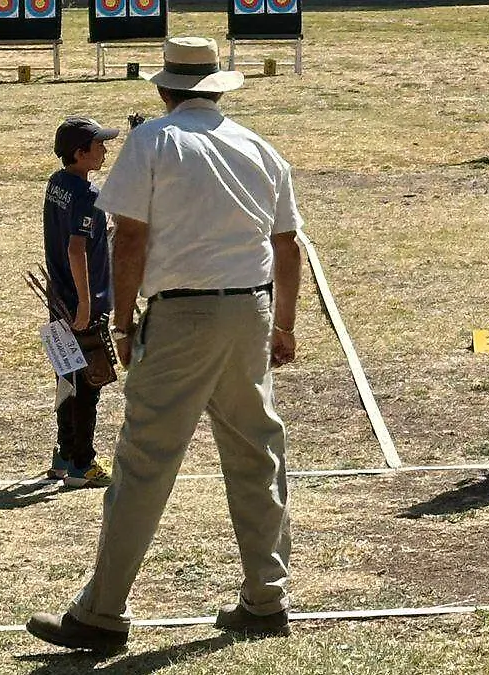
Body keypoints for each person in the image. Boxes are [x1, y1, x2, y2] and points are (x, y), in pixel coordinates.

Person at [25, 36, 304, 652]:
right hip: (249, 313)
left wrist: (123, 325)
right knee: (258, 455)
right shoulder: (259, 147)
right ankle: (266, 597)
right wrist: (283, 324)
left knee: (145, 462)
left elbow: (128, 241)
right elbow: (289, 247)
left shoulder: (153, 141)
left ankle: (101, 615)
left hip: (181, 316)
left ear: (164, 89)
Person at [44, 117, 119, 489]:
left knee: (66, 378)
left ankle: (63, 453)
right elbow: (77, 249)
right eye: (99, 145)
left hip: (59, 298)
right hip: (81, 304)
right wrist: (87, 305)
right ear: (80, 153)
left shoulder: (57, 184)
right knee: (88, 382)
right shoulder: (87, 196)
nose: (104, 151)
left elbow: (79, 239)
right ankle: (82, 462)